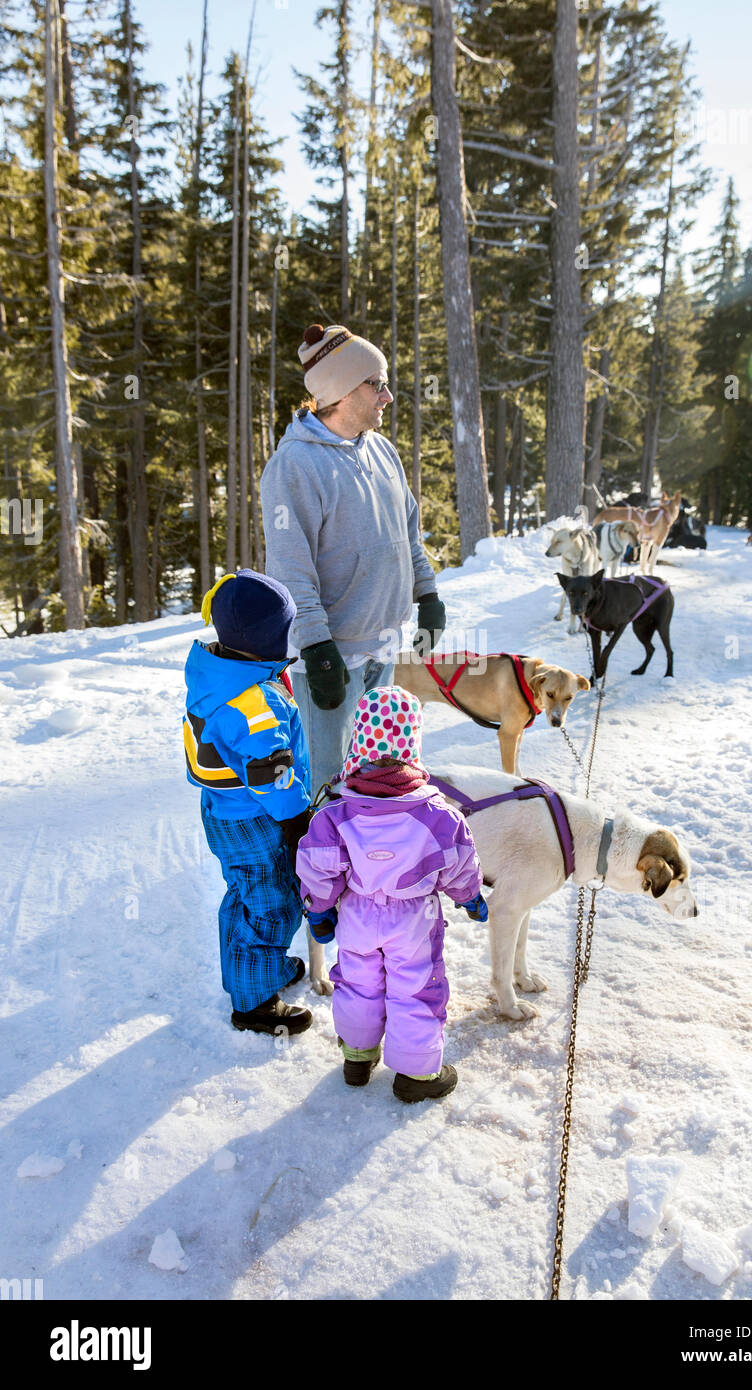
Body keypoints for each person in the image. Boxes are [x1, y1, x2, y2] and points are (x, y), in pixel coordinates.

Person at [260, 322, 446, 797]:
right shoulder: (294, 466)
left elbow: (407, 532)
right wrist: (317, 649)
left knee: (382, 778)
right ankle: (323, 871)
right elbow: (289, 568)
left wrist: (427, 593)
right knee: (329, 782)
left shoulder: (383, 450)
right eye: (376, 384)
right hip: (330, 659)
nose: (387, 396)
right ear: (342, 391)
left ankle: (377, 869)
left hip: (383, 649)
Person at [295, 687, 488, 1103]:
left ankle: (358, 1057)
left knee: (358, 982)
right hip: (413, 920)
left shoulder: (337, 813)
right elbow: (459, 861)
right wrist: (470, 896)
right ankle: (416, 1076)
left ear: (359, 737)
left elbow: (319, 866)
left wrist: (320, 910)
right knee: (415, 986)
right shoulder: (438, 816)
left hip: (357, 916)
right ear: (412, 741)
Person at [183, 569, 314, 1036]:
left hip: (222, 809)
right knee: (272, 903)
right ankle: (254, 1002)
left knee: (244, 893)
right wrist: (298, 819)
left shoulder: (216, 671)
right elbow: (272, 775)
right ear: (265, 639)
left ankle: (258, 970)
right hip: (256, 818)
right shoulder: (253, 704)